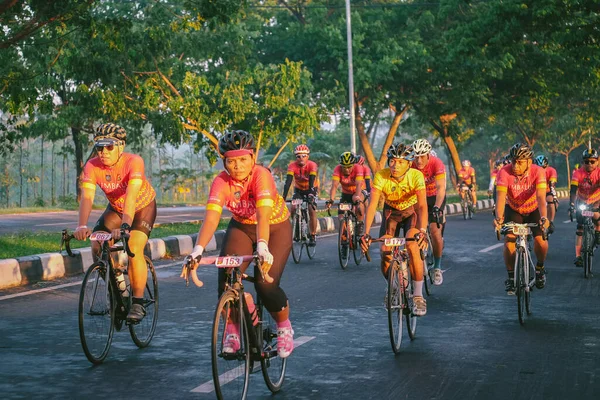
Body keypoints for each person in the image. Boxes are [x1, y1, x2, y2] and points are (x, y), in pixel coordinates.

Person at [181, 130, 294, 358]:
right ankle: (232, 329)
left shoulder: (261, 175)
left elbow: (263, 215)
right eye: (231, 161)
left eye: (243, 159)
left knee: (265, 284)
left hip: (274, 228)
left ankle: (284, 327)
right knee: (226, 280)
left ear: (253, 157)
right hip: (242, 227)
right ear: (224, 161)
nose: (237, 166)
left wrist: (262, 246)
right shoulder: (221, 181)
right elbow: (212, 218)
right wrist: (197, 251)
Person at [75, 123, 157, 323]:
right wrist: (81, 225)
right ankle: (118, 286)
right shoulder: (92, 165)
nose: (103, 152)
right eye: (99, 147)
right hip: (116, 209)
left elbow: (130, 197)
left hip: (141, 208)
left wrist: (125, 227)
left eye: (109, 147)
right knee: (96, 244)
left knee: (134, 247)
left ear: (121, 146)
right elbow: (87, 197)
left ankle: (137, 302)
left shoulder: (133, 162)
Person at [359, 143, 428, 316]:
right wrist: (365, 233)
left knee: (412, 245)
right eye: (392, 161)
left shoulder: (416, 176)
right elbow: (373, 204)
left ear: (409, 163)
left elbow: (422, 206)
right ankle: (395, 287)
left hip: (411, 213)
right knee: (384, 250)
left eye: (400, 162)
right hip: (391, 214)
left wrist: (423, 230)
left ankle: (418, 296)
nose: (395, 166)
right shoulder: (382, 176)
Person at [493, 143, 549, 293]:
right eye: (513, 161)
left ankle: (540, 268)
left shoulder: (538, 172)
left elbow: (541, 198)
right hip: (514, 210)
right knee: (510, 240)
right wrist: (499, 219)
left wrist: (544, 218)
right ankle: (511, 278)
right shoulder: (504, 173)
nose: (515, 166)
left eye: (520, 162)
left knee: (541, 241)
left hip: (533, 209)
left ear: (529, 162)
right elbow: (500, 198)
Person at [411, 138, 446, 285]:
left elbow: (441, 188)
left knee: (435, 231)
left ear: (428, 155)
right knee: (414, 230)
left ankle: (437, 267)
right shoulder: (411, 165)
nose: (419, 160)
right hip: (420, 199)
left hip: (435, 198)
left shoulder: (436, 163)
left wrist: (437, 207)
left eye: (422, 156)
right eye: (416, 156)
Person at [569, 148, 600, 268]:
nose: (589, 164)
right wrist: (572, 205)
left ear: (597, 162)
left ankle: (597, 232)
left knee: (597, 217)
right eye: (586, 162)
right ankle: (578, 256)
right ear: (583, 162)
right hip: (582, 200)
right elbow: (573, 190)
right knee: (580, 228)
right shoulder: (577, 173)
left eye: (592, 161)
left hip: (596, 200)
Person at [282, 144, 319, 246]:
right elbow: (288, 182)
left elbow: (312, 180)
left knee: (311, 210)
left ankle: (312, 235)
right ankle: (297, 227)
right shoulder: (292, 166)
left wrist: (311, 194)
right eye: (298, 156)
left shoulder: (312, 165)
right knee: (293, 208)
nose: (301, 158)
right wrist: (284, 197)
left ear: (308, 156)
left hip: (311, 189)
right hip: (299, 190)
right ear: (296, 157)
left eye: (304, 156)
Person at [326, 151, 366, 235]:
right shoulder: (337, 169)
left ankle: (360, 222)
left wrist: (357, 198)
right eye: (344, 167)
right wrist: (331, 200)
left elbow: (358, 184)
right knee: (341, 216)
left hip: (357, 191)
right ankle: (344, 236)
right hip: (345, 193)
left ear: (353, 165)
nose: (347, 170)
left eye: (349, 167)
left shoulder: (358, 168)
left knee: (358, 203)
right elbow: (334, 186)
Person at [533, 155, 558, 234]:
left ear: (547, 165)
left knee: (550, 200)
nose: (541, 170)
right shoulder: (533, 171)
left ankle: (551, 222)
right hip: (536, 191)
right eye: (539, 168)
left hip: (547, 190)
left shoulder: (551, 170)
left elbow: (552, 185)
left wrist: (554, 197)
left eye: (543, 168)